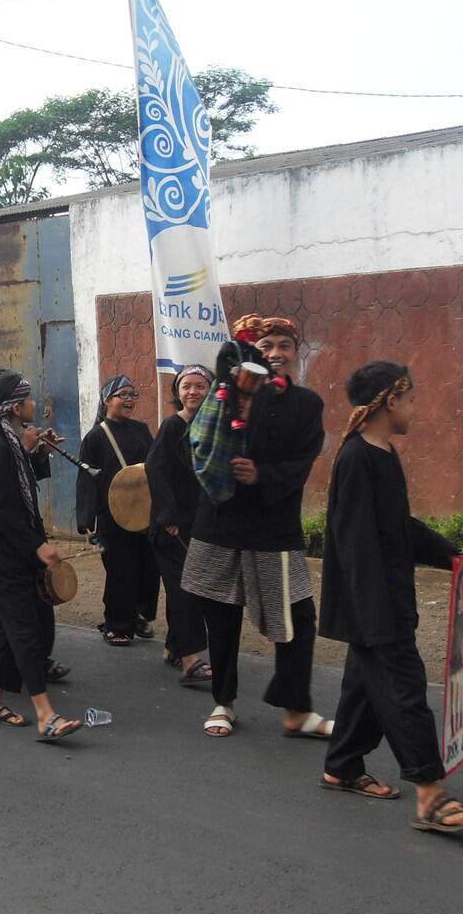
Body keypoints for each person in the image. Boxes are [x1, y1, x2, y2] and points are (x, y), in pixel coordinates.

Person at [319, 361, 463, 834]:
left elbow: (399, 527)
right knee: (405, 692)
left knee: (364, 689)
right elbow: (353, 546)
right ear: (391, 401)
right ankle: (431, 794)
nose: (416, 407)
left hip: (387, 602)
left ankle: (343, 765)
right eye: (411, 398)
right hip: (374, 606)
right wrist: (376, 621)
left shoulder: (384, 455)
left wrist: (454, 557)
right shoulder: (356, 459)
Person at [184, 314, 331, 739]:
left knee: (298, 618)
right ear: (254, 353)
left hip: (273, 525)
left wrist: (262, 475)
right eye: (267, 347)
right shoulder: (226, 394)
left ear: (295, 353)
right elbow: (202, 444)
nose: (276, 355)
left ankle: (296, 709)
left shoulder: (307, 404)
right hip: (221, 524)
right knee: (222, 620)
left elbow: (303, 461)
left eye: (284, 345)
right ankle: (223, 701)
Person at [0, 369, 82, 742]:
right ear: (16, 407)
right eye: (30, 399)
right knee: (24, 633)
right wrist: (37, 546)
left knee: (13, 629)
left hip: (16, 554)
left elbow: (23, 493)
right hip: (2, 559)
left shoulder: (12, 444)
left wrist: (36, 450)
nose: (36, 404)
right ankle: (45, 714)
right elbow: (1, 511)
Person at [76, 374, 159, 645]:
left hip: (144, 511)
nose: (129, 400)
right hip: (113, 514)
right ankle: (117, 624)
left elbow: (154, 467)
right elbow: (86, 478)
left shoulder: (141, 430)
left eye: (133, 394)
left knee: (148, 567)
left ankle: (136, 615)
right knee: (121, 570)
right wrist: (86, 518)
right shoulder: (96, 437)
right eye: (122, 394)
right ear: (106, 400)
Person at [145, 365, 213, 685]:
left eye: (200, 386)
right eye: (186, 387)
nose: (193, 392)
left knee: (185, 590)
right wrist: (168, 517)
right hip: (172, 527)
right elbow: (156, 471)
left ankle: (174, 647)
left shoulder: (215, 427)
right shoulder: (173, 426)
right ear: (178, 393)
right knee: (186, 591)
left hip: (203, 525)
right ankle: (190, 658)